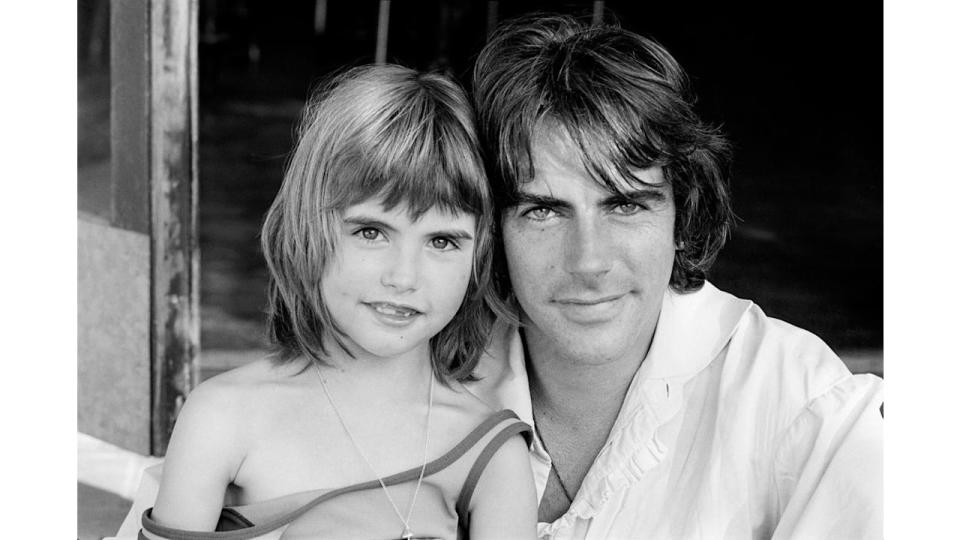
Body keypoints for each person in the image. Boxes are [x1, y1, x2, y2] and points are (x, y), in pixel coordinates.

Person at [467, 14, 883, 539]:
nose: (589, 261)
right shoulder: (429, 377)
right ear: (491, 229)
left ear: (681, 215)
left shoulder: (800, 404)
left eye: (624, 206)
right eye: (544, 211)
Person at [139, 64, 537, 540]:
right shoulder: (222, 417)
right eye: (371, 232)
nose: (404, 276)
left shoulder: (489, 454)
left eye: (443, 241)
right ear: (307, 227)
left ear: (480, 256)